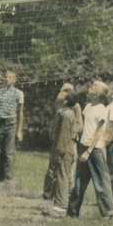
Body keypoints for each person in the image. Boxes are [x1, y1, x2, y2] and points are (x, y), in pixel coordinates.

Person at [67, 81, 113, 219]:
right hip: (83, 146)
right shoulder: (88, 106)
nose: (90, 88)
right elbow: (84, 126)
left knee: (101, 181)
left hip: (95, 149)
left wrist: (88, 151)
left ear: (100, 93)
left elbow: (99, 132)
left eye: (94, 86)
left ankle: (109, 213)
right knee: (79, 181)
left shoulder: (102, 109)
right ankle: (72, 212)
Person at [43, 86, 83, 218]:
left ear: (66, 101)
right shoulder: (66, 112)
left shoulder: (66, 115)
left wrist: (59, 152)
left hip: (64, 150)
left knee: (62, 177)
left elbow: (63, 136)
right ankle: (58, 204)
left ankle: (60, 207)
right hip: (64, 149)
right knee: (61, 176)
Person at [0, 70, 25, 183]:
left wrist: (19, 130)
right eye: (6, 77)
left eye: (10, 77)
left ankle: (8, 177)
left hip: (11, 123)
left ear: (14, 80)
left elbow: (20, 112)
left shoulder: (19, 93)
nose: (7, 79)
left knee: (8, 152)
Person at [43, 82, 74, 200]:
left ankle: (67, 193)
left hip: (67, 141)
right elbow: (55, 120)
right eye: (63, 90)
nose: (63, 93)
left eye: (66, 91)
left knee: (65, 170)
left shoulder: (73, 107)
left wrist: (72, 135)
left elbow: (77, 124)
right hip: (56, 139)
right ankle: (48, 193)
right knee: (52, 167)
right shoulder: (58, 103)